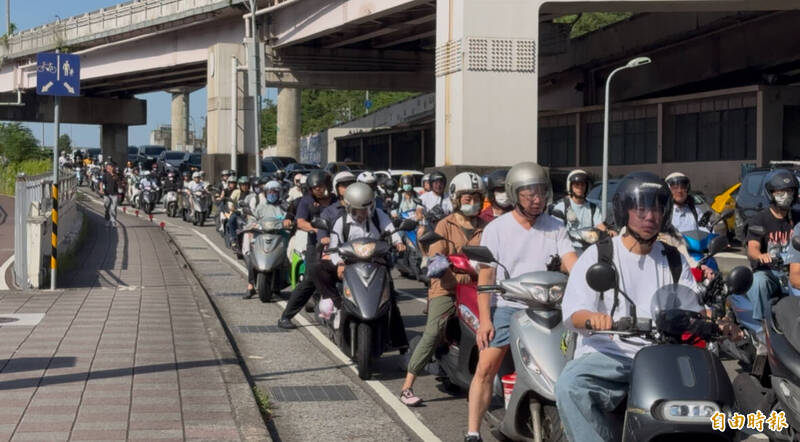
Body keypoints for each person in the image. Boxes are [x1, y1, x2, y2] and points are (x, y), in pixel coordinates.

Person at [555, 172, 706, 442]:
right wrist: (593, 318)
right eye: (641, 208)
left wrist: (709, 319)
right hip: (610, 356)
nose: (650, 216)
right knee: (570, 385)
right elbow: (574, 312)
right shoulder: (600, 255)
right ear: (625, 210)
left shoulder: (673, 258)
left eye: (657, 208)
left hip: (661, 357)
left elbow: (692, 304)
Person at [465, 162, 577, 442]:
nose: (537, 199)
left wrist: (587, 276)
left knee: (570, 363)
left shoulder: (556, 227)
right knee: (486, 367)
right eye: (530, 193)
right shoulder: (496, 229)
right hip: (508, 307)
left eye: (541, 192)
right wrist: (485, 320)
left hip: (549, 308)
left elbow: (571, 263)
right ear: (515, 194)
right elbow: (486, 277)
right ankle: (472, 431)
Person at [400, 172, 487, 406]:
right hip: (447, 288)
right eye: (467, 198)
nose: (472, 202)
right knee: (433, 331)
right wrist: (452, 274)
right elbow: (436, 259)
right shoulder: (444, 225)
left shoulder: (487, 227)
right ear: (457, 199)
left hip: (479, 288)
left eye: (476, 198)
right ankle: (407, 386)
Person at [327, 183, 408, 349]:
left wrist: (398, 243)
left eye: (367, 208)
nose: (363, 213)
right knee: (345, 297)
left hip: (376, 263)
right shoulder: (341, 223)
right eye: (358, 210)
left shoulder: (379, 216)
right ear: (349, 207)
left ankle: (400, 344)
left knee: (390, 300)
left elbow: (391, 230)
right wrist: (339, 263)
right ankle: (340, 324)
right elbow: (334, 246)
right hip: (351, 265)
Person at [278, 170, 333, 329]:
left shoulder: (336, 200)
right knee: (310, 279)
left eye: (321, 186)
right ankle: (285, 317)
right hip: (315, 245)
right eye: (315, 188)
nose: (318, 190)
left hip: (337, 244)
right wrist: (317, 230)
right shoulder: (306, 201)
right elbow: (300, 222)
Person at [745, 168, 795, 323]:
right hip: (769, 272)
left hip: (793, 272)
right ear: (770, 193)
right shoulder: (759, 219)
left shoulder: (797, 218)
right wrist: (761, 256)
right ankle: (762, 327)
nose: (785, 195)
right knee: (759, 282)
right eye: (780, 192)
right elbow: (752, 248)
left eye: (789, 191)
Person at [313, 171, 357, 316]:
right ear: (336, 188)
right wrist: (326, 238)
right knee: (318, 267)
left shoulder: (364, 208)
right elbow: (322, 234)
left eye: (350, 184)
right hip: (339, 253)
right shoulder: (329, 212)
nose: (347, 188)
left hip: (362, 254)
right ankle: (337, 303)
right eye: (343, 185)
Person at [243, 180, 288, 299]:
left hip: (280, 236)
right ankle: (250, 286)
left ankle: (287, 280)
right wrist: (252, 225)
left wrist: (289, 223)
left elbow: (291, 218)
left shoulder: (284, 207)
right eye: (269, 192)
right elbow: (253, 219)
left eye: (274, 192)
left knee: (289, 255)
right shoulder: (261, 207)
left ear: (279, 193)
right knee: (252, 257)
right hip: (262, 236)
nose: (271, 194)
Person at [550, 169, 611, 252]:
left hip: (589, 249)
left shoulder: (593, 208)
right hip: (567, 250)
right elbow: (555, 233)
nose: (580, 187)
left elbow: (599, 226)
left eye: (583, 185)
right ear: (570, 186)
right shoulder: (561, 207)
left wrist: (607, 231)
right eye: (576, 185)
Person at [226, 176, 252, 248]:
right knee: (231, 220)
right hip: (237, 213)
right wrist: (232, 207)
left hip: (249, 214)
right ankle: (233, 239)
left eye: (246, 185)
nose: (244, 186)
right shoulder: (236, 192)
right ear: (240, 186)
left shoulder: (252, 194)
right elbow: (230, 201)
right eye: (242, 185)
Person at [100, 162, 120, 228]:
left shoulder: (116, 175)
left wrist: (112, 173)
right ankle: (107, 221)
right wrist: (101, 189)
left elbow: (117, 180)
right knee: (107, 208)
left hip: (114, 194)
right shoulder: (105, 175)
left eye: (110, 167)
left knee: (113, 208)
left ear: (113, 168)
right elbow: (101, 183)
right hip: (107, 194)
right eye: (107, 167)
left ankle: (113, 222)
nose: (108, 168)